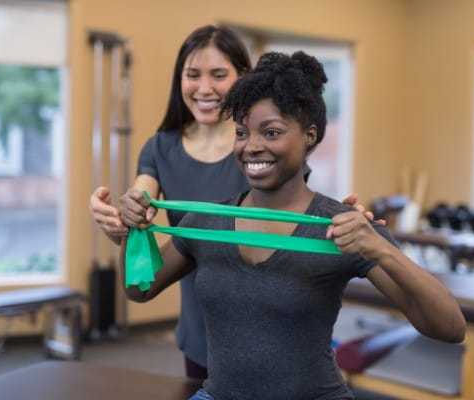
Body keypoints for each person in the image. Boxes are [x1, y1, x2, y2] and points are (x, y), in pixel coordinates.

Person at [119, 51, 466, 400]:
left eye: (271, 132)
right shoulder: (207, 222)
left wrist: (380, 249)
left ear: (310, 136)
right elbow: (139, 290)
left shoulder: (341, 227)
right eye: (241, 133)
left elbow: (450, 327)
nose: (252, 147)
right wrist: (131, 230)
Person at [88, 25, 376, 380]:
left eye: (219, 75)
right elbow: (140, 211)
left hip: (273, 330)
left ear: (243, 78)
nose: (204, 88)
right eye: (192, 75)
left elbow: (298, 215)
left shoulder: (261, 152)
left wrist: (348, 220)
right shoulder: (160, 148)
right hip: (201, 328)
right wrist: (122, 222)